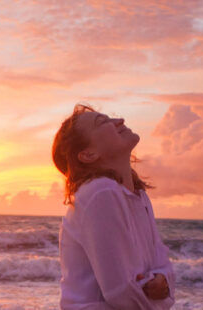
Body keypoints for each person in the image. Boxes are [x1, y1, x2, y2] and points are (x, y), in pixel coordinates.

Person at [52, 103, 176, 309]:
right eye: (103, 122)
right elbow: (121, 292)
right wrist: (161, 295)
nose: (120, 121)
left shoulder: (138, 196)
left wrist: (163, 282)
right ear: (88, 154)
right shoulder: (100, 192)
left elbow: (163, 265)